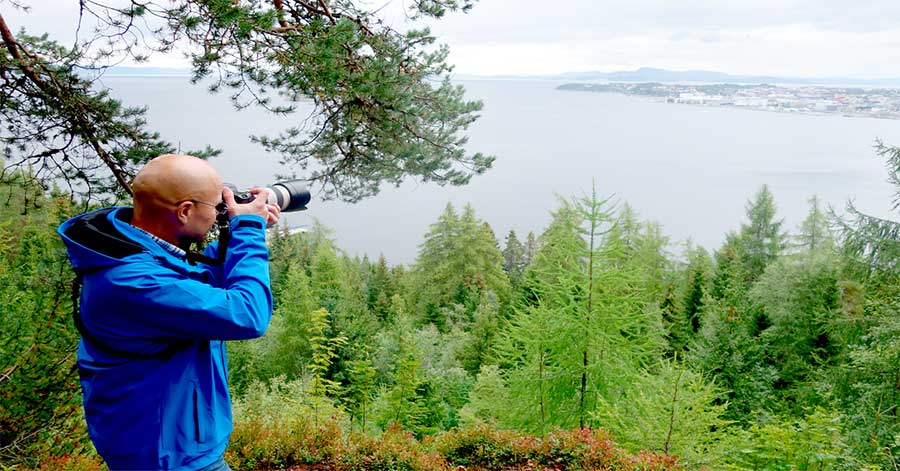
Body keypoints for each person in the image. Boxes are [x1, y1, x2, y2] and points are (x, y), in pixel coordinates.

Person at [57, 154, 281, 471]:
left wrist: (241, 230)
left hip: (164, 441)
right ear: (185, 211)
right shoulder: (132, 282)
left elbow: (197, 286)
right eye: (216, 206)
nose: (221, 212)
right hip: (169, 456)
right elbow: (248, 314)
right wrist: (248, 228)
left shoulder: (138, 250)